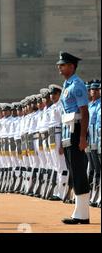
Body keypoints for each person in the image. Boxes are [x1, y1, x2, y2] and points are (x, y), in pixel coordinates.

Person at [57, 51, 91, 225]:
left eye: (62, 65)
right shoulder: (67, 84)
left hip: (76, 130)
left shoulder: (77, 85)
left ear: (71, 66)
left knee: (78, 172)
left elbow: (84, 113)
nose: (59, 67)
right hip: (68, 131)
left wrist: (83, 137)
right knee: (73, 171)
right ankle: (79, 212)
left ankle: (82, 214)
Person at [87, 80, 101, 206]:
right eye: (92, 89)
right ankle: (93, 195)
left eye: (97, 89)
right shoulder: (90, 105)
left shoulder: (99, 104)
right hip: (91, 140)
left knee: (99, 168)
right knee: (94, 168)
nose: (94, 91)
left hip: (98, 140)